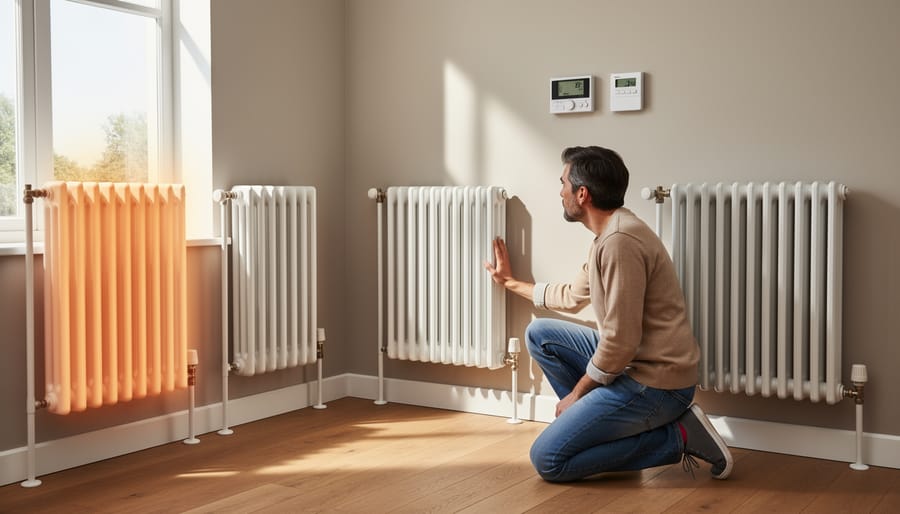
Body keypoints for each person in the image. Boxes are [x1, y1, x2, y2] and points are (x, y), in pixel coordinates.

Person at [484, 146, 733, 482]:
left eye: (563, 184)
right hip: (634, 365)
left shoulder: (620, 242)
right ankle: (603, 427)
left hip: (657, 383)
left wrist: (577, 394)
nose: (560, 192)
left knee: (548, 460)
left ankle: (679, 437)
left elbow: (620, 341)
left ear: (582, 193)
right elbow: (572, 297)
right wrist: (511, 282)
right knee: (541, 336)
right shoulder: (609, 234)